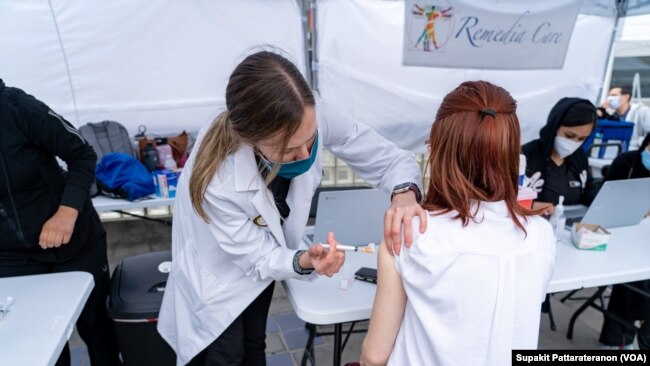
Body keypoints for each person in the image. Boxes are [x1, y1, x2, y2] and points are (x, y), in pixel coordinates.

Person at [157, 51, 426, 366]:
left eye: (311, 140)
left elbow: (379, 153)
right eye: (289, 150)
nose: (306, 154)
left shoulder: (307, 112)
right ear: (252, 141)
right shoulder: (219, 180)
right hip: (215, 277)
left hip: (260, 268)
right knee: (225, 356)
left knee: (255, 344)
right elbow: (258, 257)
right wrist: (303, 260)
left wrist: (405, 193)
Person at [360, 81, 556, 366]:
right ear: (512, 153)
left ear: (437, 149)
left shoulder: (412, 233)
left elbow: (374, 356)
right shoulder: (541, 234)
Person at [0, 79, 120, 365]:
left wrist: (67, 212)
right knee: (39, 340)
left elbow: (82, 154)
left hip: (74, 241)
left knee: (96, 328)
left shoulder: (18, 107)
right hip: (11, 256)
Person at [598, 133, 650, 350]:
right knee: (630, 282)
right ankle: (618, 340)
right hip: (619, 232)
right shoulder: (627, 162)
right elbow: (601, 195)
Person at [522, 97, 600, 215]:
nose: (574, 143)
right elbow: (504, 197)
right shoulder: (525, 155)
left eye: (582, 139)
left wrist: (598, 199)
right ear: (554, 126)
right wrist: (530, 205)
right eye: (569, 135)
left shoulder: (579, 157)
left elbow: (588, 187)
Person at [601, 85, 650, 149]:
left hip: (635, 152)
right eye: (609, 95)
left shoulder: (642, 111)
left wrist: (635, 143)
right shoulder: (611, 115)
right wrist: (602, 111)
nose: (609, 98)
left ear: (626, 97)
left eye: (613, 95)